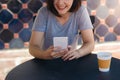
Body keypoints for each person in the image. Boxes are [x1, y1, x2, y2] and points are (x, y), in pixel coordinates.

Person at [29, 0, 94, 61]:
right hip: (47, 62)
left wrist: (78, 52)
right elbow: (32, 47)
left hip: (70, 60)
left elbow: (90, 43)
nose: (60, 3)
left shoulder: (80, 11)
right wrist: (44, 55)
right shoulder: (44, 12)